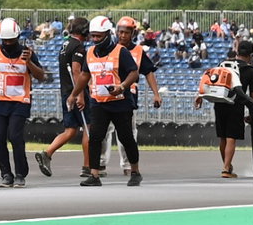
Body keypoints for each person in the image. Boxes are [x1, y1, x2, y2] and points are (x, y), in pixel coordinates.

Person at [0, 17, 48, 188]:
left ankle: (20, 173)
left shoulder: (28, 52)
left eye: (12, 40)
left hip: (20, 102)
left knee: (15, 135)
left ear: (18, 37)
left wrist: (28, 63)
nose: (8, 43)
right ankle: (6, 174)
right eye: (5, 41)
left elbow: (41, 76)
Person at [78, 15, 141, 187]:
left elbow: (134, 73)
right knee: (96, 137)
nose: (96, 39)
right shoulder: (90, 53)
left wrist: (122, 86)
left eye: (99, 36)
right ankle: (94, 174)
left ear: (108, 34)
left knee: (126, 137)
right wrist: (75, 93)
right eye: (93, 36)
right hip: (99, 102)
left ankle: (135, 171)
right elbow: (84, 75)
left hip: (120, 102)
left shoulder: (121, 51)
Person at [195, 40, 253, 177]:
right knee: (231, 137)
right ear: (250, 55)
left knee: (223, 137)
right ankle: (226, 168)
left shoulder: (223, 65)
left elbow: (210, 81)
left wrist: (199, 95)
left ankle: (227, 165)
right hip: (236, 104)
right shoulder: (250, 71)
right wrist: (252, 112)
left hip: (219, 103)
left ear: (237, 52)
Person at [35, 15, 88, 180]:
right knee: (89, 128)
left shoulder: (64, 45)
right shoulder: (78, 47)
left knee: (71, 130)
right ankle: (88, 166)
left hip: (65, 91)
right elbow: (76, 70)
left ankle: (47, 153)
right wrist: (80, 95)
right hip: (76, 91)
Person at [117, 17, 161, 113]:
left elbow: (148, 72)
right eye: (121, 32)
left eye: (126, 33)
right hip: (112, 94)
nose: (123, 35)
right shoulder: (111, 49)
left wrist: (156, 94)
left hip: (130, 95)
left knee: (128, 127)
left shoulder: (138, 51)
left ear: (132, 34)